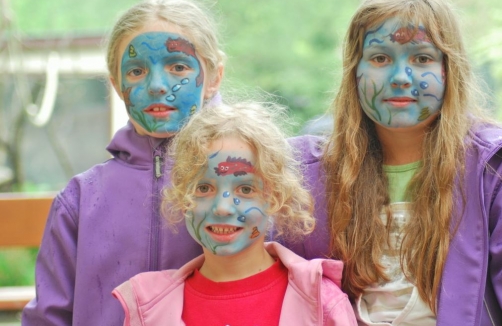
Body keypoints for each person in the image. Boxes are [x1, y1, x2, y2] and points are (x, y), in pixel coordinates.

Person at [292, 0, 502, 324]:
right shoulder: (310, 176)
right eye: (380, 58)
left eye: (421, 58)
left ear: (449, 68)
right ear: (354, 69)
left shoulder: (492, 173)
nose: (401, 77)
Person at [22, 0, 225, 324]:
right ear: (116, 84)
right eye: (137, 70)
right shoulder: (80, 199)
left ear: (214, 76)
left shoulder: (245, 182)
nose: (157, 84)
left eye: (178, 67)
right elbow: (49, 316)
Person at [112, 102, 357, 325]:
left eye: (245, 189)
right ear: (182, 197)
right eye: (204, 188)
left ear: (274, 197)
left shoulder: (321, 302)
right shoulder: (148, 309)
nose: (222, 207)